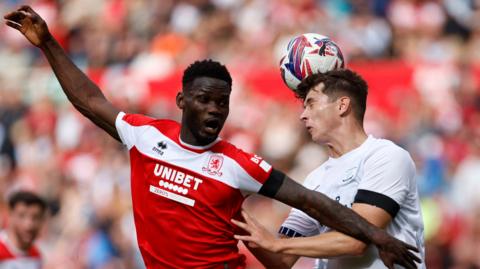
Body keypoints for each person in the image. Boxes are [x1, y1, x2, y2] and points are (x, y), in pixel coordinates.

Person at [3, 6, 419, 269]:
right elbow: (90, 100)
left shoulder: (242, 165)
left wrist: (379, 238)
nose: (215, 110)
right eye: (205, 100)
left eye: (223, 103)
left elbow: (319, 208)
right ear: (182, 100)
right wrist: (50, 46)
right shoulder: (146, 136)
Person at [233, 70, 425, 268]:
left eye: (311, 103)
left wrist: (276, 244)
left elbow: (358, 241)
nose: (303, 115)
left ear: (342, 105)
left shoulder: (385, 156)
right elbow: (282, 260)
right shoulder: (314, 179)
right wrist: (233, 216)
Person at [0, 191, 47, 269]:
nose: (29, 224)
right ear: (9, 215)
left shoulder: (36, 256)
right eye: (22, 216)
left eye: (35, 217)